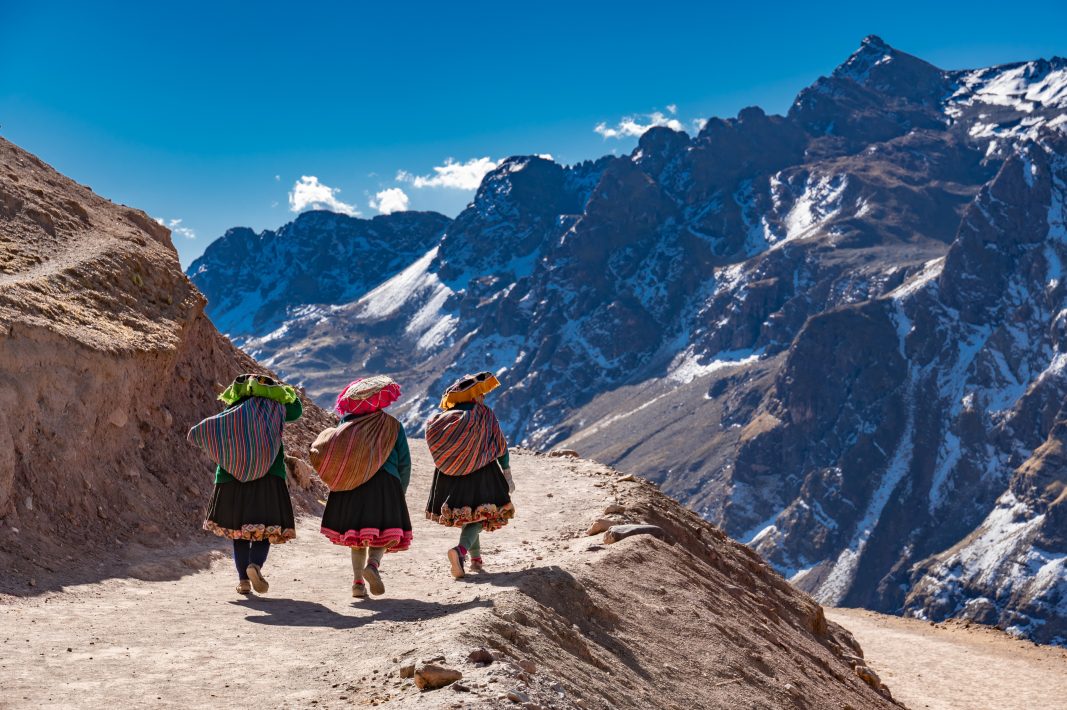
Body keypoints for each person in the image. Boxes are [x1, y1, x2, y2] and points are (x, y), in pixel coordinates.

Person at [200, 374, 302, 595]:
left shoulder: (234, 407)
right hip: (268, 477)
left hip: (231, 479)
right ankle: (255, 566)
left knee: (239, 533)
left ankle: (243, 581)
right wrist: (285, 392)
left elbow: (215, 430)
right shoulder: (277, 409)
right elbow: (297, 410)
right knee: (263, 530)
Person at [313, 376, 412, 598]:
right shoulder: (393, 426)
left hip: (353, 485)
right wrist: (399, 492)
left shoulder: (345, 425)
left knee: (357, 536)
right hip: (386, 484)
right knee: (384, 533)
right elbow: (405, 463)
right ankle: (374, 565)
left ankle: (358, 583)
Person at [425, 371, 515, 579]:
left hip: (449, 475)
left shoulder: (442, 419)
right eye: (481, 395)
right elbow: (500, 445)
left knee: (470, 513)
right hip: (480, 473)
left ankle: (476, 560)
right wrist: (507, 473)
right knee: (480, 515)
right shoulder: (483, 414)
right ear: (473, 397)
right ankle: (461, 552)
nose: (484, 398)